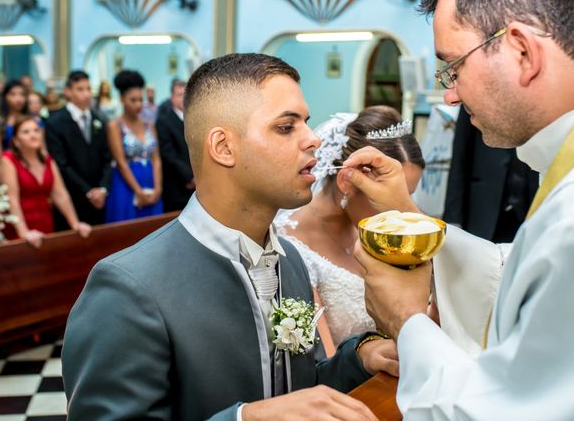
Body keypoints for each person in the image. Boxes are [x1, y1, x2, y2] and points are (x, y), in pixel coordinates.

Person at [349, 0, 574, 419]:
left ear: (520, 51)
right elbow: (522, 273)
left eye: (454, 65)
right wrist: (412, 221)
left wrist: (407, 321)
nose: (449, 95)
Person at [62, 53, 397, 421]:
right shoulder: (128, 288)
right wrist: (245, 419)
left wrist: (357, 359)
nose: (313, 139)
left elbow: (295, 394)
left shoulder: (291, 260)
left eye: (307, 123)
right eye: (286, 127)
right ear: (223, 147)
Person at [278, 106, 424, 353]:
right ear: (348, 181)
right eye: (391, 196)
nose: (402, 213)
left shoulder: (377, 231)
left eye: (407, 197)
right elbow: (319, 362)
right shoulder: (287, 249)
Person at [444, 106, 538, 242]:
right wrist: (453, 219)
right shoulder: (473, 90)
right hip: (482, 204)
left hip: (528, 205)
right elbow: (460, 156)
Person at [0, 116, 91, 248]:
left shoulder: (47, 159)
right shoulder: (8, 160)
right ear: (16, 141)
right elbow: (11, 199)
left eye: (36, 130)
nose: (33, 135)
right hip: (18, 226)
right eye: (26, 132)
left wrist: (75, 223)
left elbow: (60, 194)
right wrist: (24, 232)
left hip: (45, 221)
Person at [45, 70, 112, 228]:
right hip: (72, 196)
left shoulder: (98, 120)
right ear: (68, 92)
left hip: (99, 198)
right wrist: (88, 191)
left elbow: (107, 158)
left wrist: (102, 189)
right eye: (80, 89)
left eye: (88, 89)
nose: (87, 94)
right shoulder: (55, 122)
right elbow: (61, 164)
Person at [105, 70, 163, 222]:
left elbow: (156, 159)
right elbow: (121, 162)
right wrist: (138, 191)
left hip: (150, 180)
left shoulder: (149, 125)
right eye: (133, 100)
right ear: (122, 99)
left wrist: (158, 187)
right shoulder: (115, 126)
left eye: (140, 99)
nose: (138, 104)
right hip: (127, 185)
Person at [155, 77, 194, 212]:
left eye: (186, 94)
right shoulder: (164, 121)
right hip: (177, 185)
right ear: (171, 98)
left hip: (197, 186)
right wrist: (189, 177)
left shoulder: (194, 119)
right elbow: (168, 154)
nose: (183, 98)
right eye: (179, 95)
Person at [0, 80, 29, 149]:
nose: (18, 99)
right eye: (13, 94)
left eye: (22, 94)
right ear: (5, 97)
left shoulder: (32, 119)